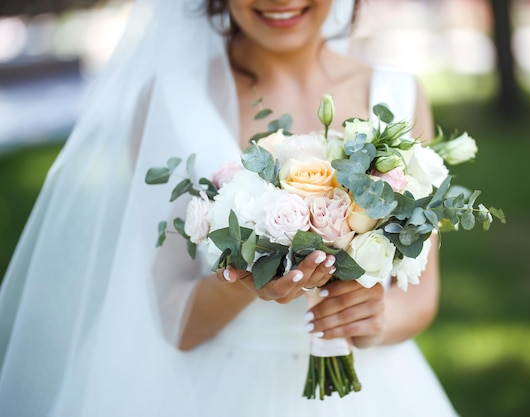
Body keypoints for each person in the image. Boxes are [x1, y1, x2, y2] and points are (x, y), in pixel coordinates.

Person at [0, 0, 458, 416]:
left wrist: (374, 320)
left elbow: (420, 295)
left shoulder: (397, 95)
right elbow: (176, 322)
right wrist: (245, 283)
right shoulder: (170, 103)